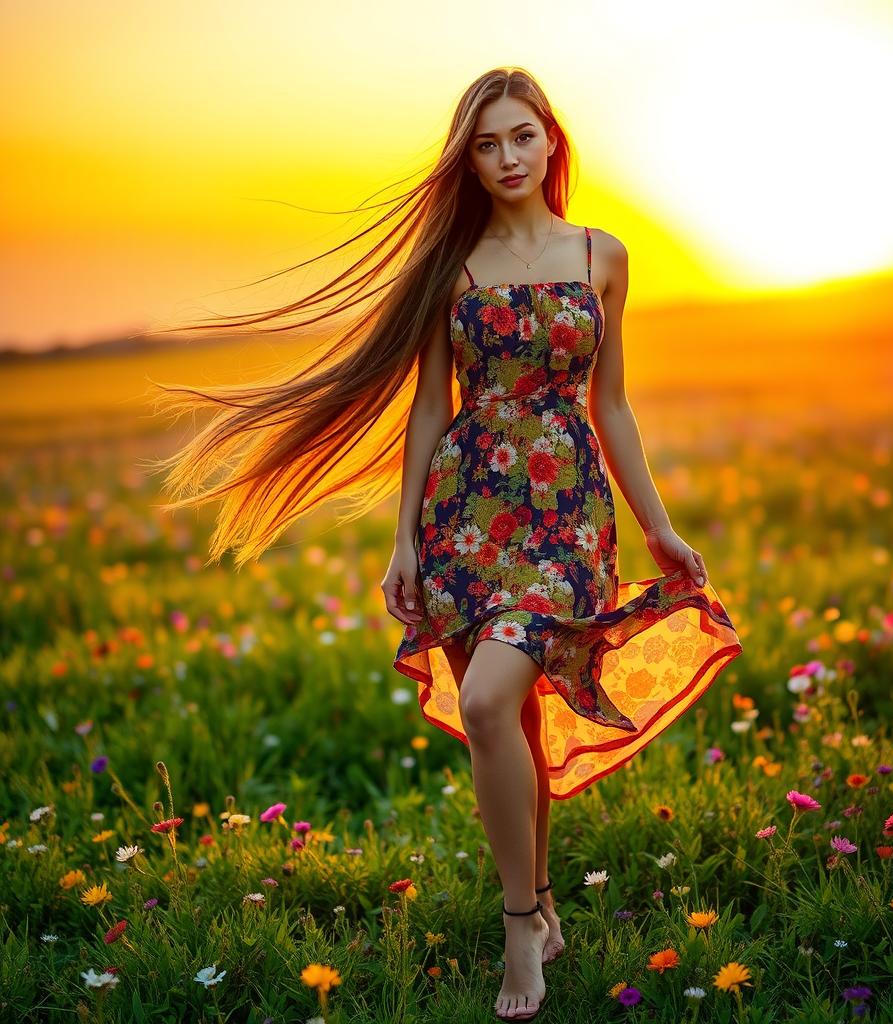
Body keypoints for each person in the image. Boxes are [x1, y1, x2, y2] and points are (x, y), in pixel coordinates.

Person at [145, 66, 742, 1023]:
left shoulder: (605, 255)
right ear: (467, 157)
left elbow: (612, 402)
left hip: (564, 514)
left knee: (488, 696)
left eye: (521, 136)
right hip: (468, 514)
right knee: (518, 726)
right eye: (486, 143)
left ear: (553, 141)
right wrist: (405, 542)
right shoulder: (451, 266)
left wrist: (658, 526)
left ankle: (517, 926)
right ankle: (542, 909)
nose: (507, 157)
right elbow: (431, 406)